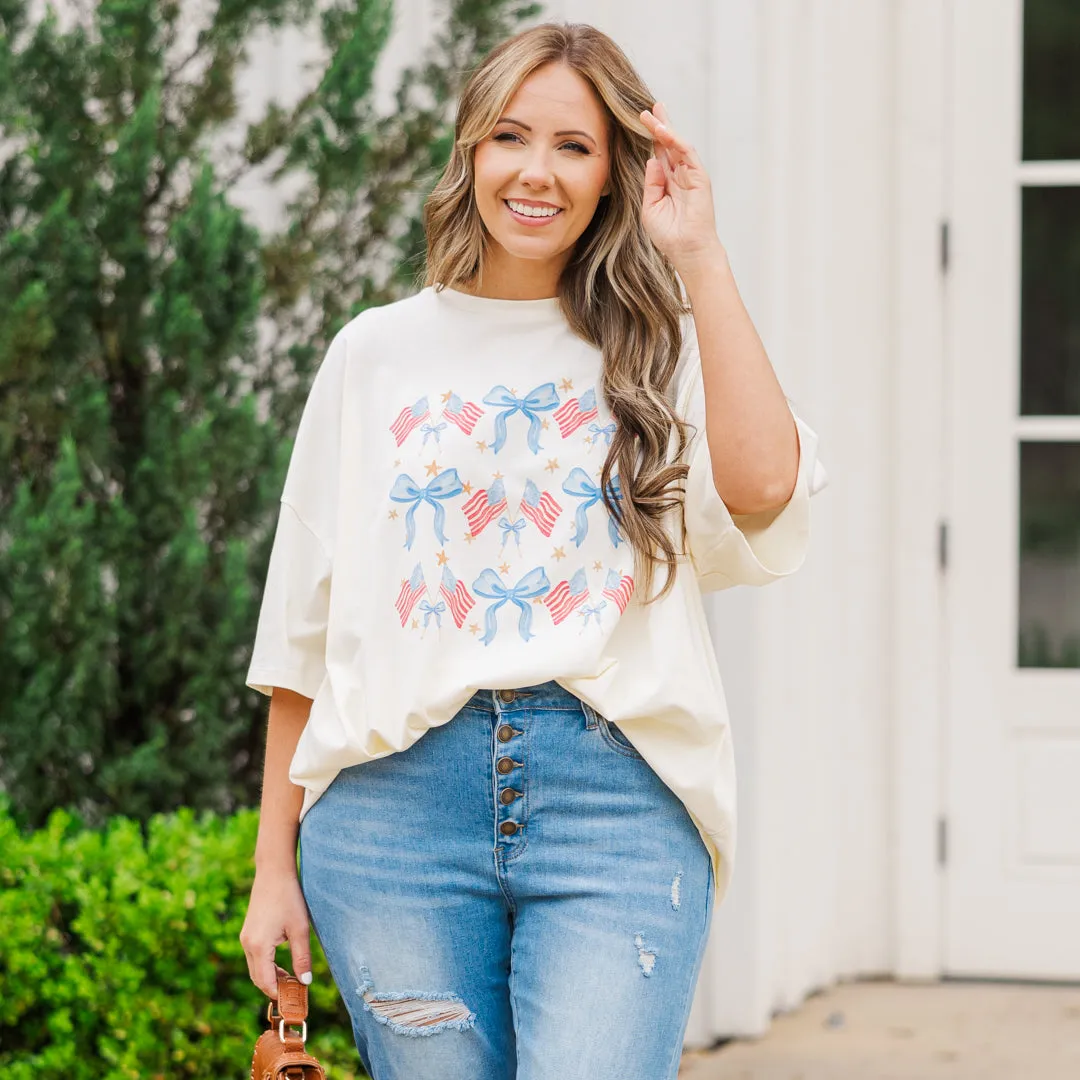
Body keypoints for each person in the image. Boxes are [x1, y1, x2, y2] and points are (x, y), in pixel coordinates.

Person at [239, 19, 828, 1080]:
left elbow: (767, 485)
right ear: (471, 151)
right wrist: (269, 870)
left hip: (616, 801)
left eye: (575, 146)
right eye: (512, 136)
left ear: (614, 175)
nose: (537, 172)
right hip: (390, 814)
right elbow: (304, 639)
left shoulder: (655, 344)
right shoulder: (373, 354)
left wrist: (700, 254)